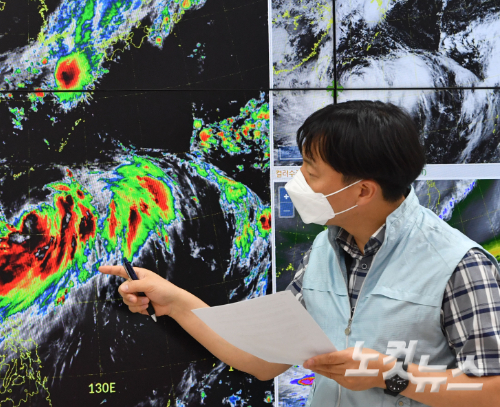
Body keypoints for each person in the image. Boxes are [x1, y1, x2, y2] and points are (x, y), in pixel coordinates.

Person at [99, 100, 500, 407]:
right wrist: (175, 303)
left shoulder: (460, 265)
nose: (298, 180)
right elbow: (264, 359)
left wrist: (391, 377)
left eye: (311, 170)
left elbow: (493, 388)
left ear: (362, 190)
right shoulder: (327, 249)